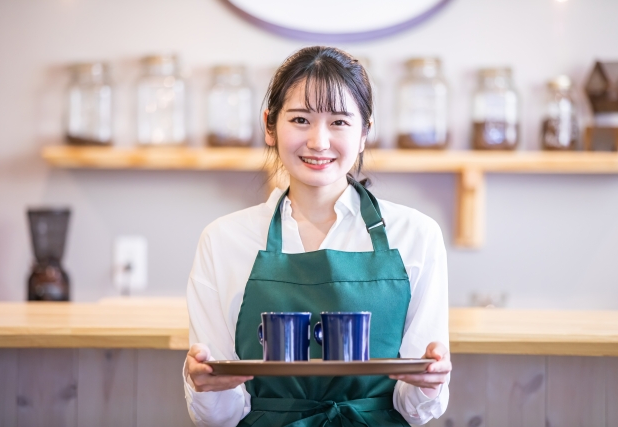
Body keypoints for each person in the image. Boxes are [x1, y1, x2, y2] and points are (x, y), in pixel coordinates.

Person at [183, 46, 451, 427]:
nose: (319, 142)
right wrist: (208, 386)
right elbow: (220, 418)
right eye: (300, 119)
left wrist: (428, 384)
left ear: (364, 134)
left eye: (339, 122)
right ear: (270, 126)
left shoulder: (417, 235)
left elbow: (414, 410)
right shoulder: (223, 240)